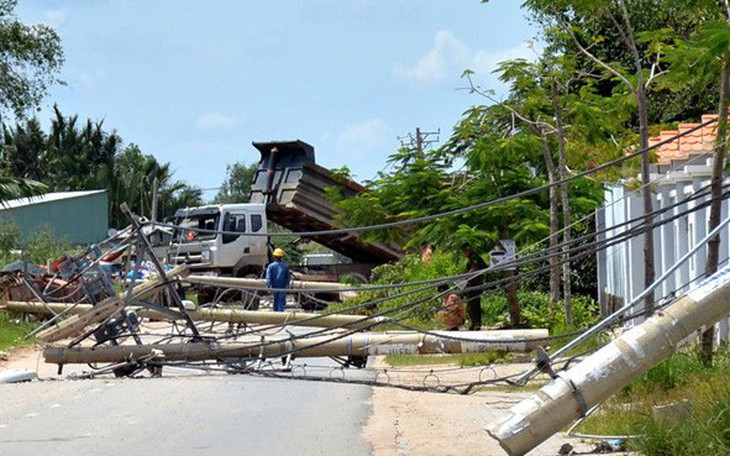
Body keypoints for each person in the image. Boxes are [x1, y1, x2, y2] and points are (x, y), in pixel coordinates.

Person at [463, 246, 486, 330]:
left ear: (468, 250)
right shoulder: (471, 258)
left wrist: (465, 277)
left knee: (474, 304)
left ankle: (477, 324)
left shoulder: (474, 258)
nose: (463, 254)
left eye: (464, 252)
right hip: (471, 285)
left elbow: (474, 269)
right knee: (471, 305)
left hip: (475, 284)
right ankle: (474, 323)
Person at [266, 248, 291, 312]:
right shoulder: (285, 266)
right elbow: (288, 278)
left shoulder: (271, 266)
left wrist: (268, 286)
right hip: (282, 287)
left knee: (275, 301)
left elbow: (268, 277)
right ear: (282, 257)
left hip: (274, 287)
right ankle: (280, 317)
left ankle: (275, 317)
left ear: (274, 256)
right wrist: (288, 286)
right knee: (281, 302)